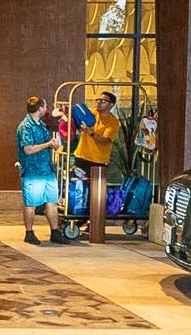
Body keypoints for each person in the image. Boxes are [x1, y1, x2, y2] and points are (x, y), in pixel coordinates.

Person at [15, 94, 63, 245]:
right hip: (32, 171)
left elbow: (48, 143)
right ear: (40, 108)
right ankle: (29, 233)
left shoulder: (41, 125)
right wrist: (48, 144)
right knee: (31, 203)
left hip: (46, 169)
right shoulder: (25, 127)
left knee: (52, 201)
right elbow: (28, 149)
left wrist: (53, 145)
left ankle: (55, 231)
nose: (47, 109)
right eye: (45, 106)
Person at [73, 90, 121, 231]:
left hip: (98, 161)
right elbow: (78, 115)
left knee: (96, 193)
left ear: (111, 105)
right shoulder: (92, 112)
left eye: (103, 101)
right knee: (80, 189)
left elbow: (105, 141)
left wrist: (91, 132)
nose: (99, 103)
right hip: (82, 156)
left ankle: (93, 221)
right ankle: (78, 217)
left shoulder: (113, 122)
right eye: (98, 100)